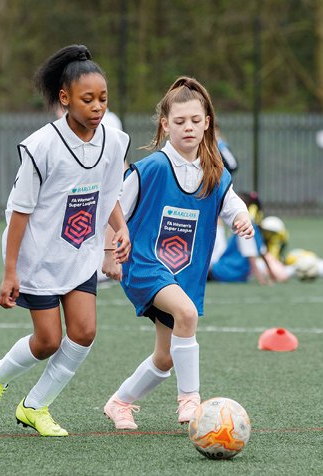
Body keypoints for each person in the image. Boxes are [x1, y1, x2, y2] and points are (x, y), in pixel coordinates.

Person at [0, 45, 131, 437]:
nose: (97, 107)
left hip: (78, 251)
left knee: (84, 331)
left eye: (103, 99)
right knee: (46, 340)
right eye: (87, 99)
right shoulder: (41, 147)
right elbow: (20, 212)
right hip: (36, 254)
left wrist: (118, 232)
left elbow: (109, 192)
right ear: (65, 99)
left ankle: (36, 407)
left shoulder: (112, 141)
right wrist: (10, 272)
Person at [101, 77, 253, 430]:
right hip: (143, 265)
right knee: (186, 314)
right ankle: (191, 402)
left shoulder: (215, 173)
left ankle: (120, 402)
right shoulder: (151, 168)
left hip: (183, 274)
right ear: (165, 125)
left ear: (207, 123)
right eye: (180, 122)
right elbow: (114, 208)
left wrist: (241, 219)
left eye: (195, 121)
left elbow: (232, 205)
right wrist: (110, 252)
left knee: (166, 356)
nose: (189, 128)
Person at [209, 192, 293, 285]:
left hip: (226, 272)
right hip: (236, 274)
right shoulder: (254, 227)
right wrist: (271, 276)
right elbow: (262, 254)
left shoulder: (244, 226)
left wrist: (262, 280)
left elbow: (251, 256)